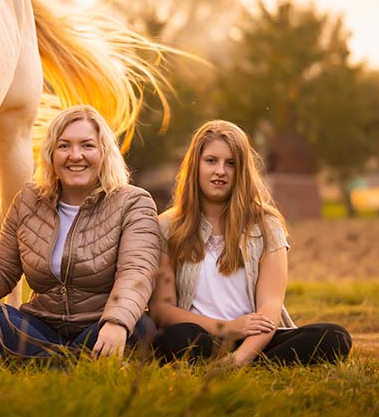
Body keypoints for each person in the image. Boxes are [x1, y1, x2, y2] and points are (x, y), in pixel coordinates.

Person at [0, 105, 160, 362]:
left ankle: (42, 363)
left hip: (99, 326)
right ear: (51, 154)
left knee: (138, 328)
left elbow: (136, 272)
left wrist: (117, 322)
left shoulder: (133, 202)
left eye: (87, 146)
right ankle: (74, 364)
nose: (75, 155)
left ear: (104, 152)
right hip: (42, 326)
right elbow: (2, 264)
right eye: (64, 146)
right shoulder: (29, 199)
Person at [149, 120, 352, 366]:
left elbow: (270, 308)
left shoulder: (266, 225)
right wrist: (227, 328)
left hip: (256, 338)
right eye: (211, 161)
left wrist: (240, 357)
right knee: (174, 338)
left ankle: (241, 362)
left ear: (242, 170)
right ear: (196, 165)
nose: (220, 171)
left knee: (334, 337)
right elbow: (162, 310)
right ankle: (260, 363)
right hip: (201, 334)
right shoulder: (168, 227)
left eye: (231, 163)